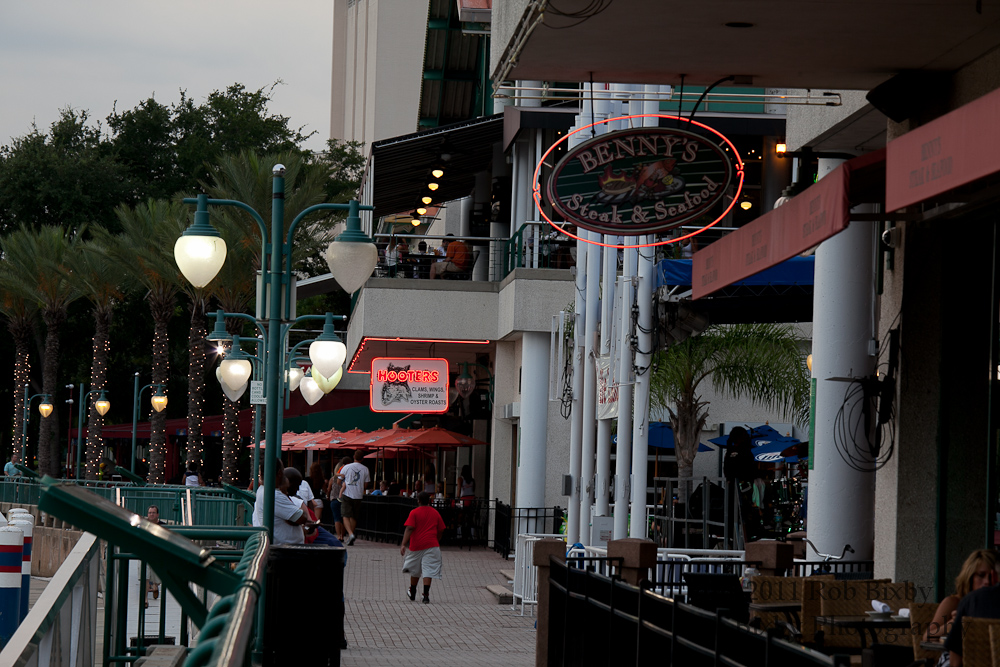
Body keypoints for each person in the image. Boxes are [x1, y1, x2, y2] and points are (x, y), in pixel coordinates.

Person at [945, 552, 1000, 667]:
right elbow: (929, 634)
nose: (987, 581)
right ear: (969, 576)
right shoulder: (956, 601)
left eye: (990, 576)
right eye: (981, 575)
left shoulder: (971, 602)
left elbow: (955, 662)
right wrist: (954, 623)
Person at [252, 460, 313, 546]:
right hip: (284, 548)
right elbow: (302, 517)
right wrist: (285, 493)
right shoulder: (274, 495)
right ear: (280, 473)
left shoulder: (264, 490)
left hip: (282, 546)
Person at [400, 491, 446, 604]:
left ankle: (413, 590)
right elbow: (441, 529)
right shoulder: (435, 513)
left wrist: (403, 544)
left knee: (415, 569)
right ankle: (425, 595)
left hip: (417, 545)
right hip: (432, 545)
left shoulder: (414, 512)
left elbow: (409, 528)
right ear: (429, 501)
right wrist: (436, 539)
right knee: (428, 569)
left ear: (418, 500)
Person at [283, 467, 343, 547]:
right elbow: (300, 517)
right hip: (297, 538)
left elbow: (309, 503)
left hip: (303, 532)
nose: (297, 489)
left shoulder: (296, 496)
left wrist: (310, 522)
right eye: (296, 486)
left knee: (334, 543)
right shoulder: (284, 499)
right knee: (334, 544)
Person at [339, 450, 371, 546]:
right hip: (358, 495)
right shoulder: (365, 469)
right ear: (362, 459)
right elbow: (366, 485)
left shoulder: (346, 467)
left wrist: (343, 485)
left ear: (354, 456)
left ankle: (350, 533)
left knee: (345, 515)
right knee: (354, 516)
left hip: (347, 493)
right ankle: (350, 536)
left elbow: (339, 480)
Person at [327, 456, 352, 541]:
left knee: (336, 518)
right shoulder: (346, 479)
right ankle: (343, 534)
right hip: (344, 499)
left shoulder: (332, 479)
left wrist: (328, 495)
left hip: (334, 499)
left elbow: (329, 489)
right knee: (344, 518)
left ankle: (338, 536)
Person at [144, 505, 165, 605]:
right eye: (149, 513)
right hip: (146, 553)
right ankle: (145, 599)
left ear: (157, 514)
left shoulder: (163, 526)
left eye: (153, 513)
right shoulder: (144, 524)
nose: (151, 514)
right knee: (145, 577)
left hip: (158, 554)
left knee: (157, 576)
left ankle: (155, 586)